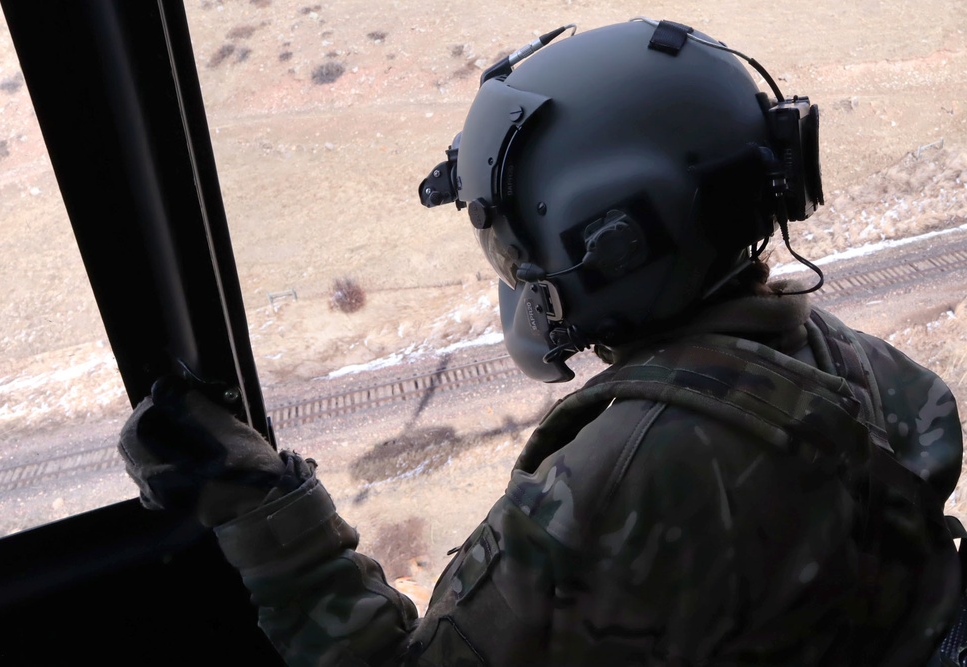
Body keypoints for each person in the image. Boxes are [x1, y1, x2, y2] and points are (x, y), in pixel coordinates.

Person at [119, 18, 966, 666]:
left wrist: (264, 505)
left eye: (514, 237)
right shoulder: (837, 354)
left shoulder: (624, 474)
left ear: (616, 239)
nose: (514, 268)